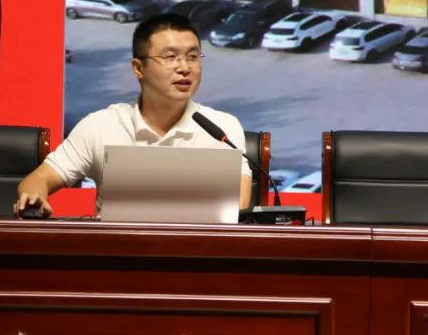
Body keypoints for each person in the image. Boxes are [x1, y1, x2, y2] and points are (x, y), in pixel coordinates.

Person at [14, 12, 252, 217]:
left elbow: (239, 206)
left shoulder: (221, 128)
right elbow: (38, 179)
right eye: (170, 57)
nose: (184, 68)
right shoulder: (101, 125)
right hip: (118, 252)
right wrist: (34, 197)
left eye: (193, 57)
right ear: (138, 68)